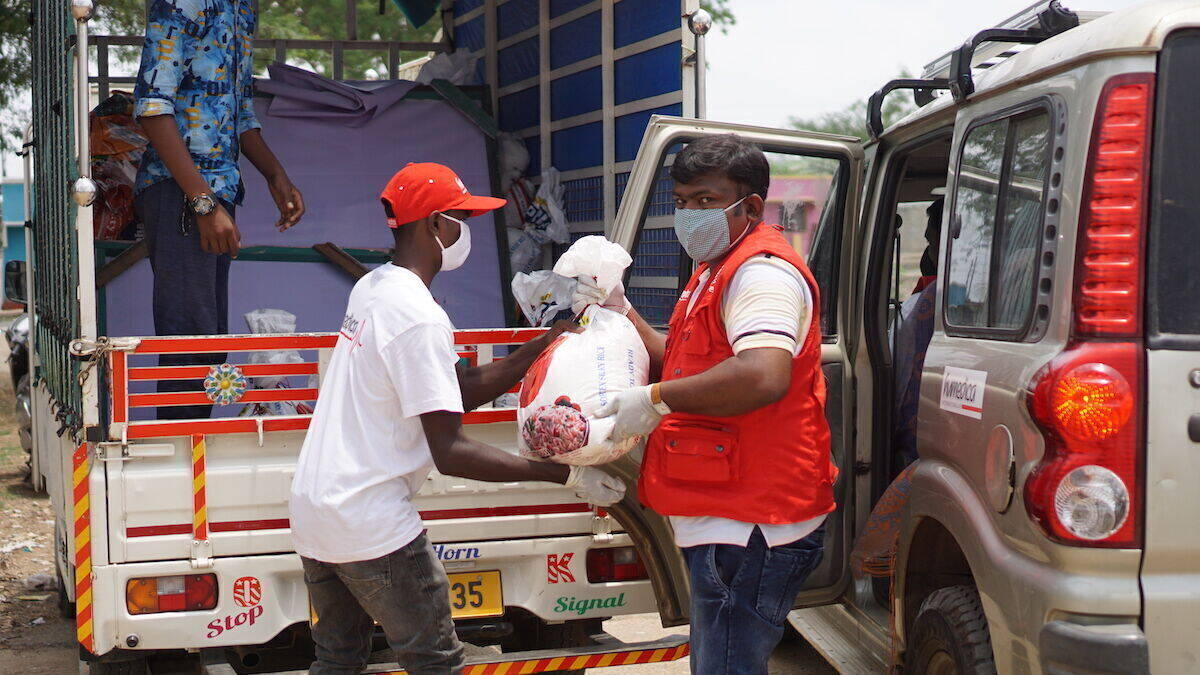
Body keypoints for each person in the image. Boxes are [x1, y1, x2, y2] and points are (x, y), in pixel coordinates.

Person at [289, 163, 626, 675]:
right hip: (370, 520)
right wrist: (569, 475)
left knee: (338, 659)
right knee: (437, 663)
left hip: (318, 511)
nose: (466, 231)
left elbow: (456, 390)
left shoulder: (376, 287)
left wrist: (545, 343)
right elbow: (452, 452)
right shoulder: (417, 316)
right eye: (462, 219)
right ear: (436, 225)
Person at [576, 135, 838, 674]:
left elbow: (763, 375)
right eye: (681, 202)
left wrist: (654, 399)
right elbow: (682, 364)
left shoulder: (761, 273)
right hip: (728, 512)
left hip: (752, 523)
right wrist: (620, 310)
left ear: (752, 207)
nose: (689, 214)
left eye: (705, 200)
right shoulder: (714, 269)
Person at [133, 0, 305, 419]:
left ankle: (196, 452)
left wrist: (275, 174)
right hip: (183, 192)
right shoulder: (184, 4)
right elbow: (152, 107)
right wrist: (202, 202)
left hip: (216, 196)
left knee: (208, 340)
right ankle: (182, 461)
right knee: (188, 341)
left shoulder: (242, 9)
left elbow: (240, 111)